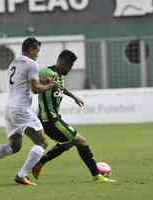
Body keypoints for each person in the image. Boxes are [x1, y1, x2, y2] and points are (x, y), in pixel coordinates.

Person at [0, 37, 57, 186]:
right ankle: (22, 175)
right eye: (37, 50)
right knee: (42, 143)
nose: (38, 54)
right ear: (31, 49)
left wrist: (44, 83)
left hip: (9, 109)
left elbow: (26, 83)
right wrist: (50, 86)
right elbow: (35, 88)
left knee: (15, 146)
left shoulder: (15, 62)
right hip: (21, 109)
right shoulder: (32, 64)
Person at [32, 50, 115, 183]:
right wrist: (45, 83)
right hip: (49, 120)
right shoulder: (46, 72)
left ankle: (39, 164)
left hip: (54, 118)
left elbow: (59, 88)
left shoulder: (59, 75)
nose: (69, 69)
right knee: (81, 141)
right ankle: (96, 175)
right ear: (61, 62)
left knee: (71, 142)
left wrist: (73, 97)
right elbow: (35, 85)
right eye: (68, 66)